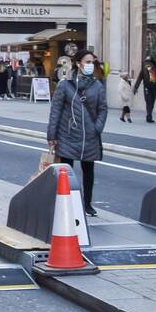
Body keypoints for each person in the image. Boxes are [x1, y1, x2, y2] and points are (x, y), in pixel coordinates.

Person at [46, 49, 107, 217]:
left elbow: (103, 109)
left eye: (92, 62)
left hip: (90, 135)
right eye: (87, 62)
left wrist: (98, 127)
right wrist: (51, 135)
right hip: (68, 135)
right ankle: (66, 201)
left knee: (89, 169)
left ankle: (87, 204)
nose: (90, 65)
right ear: (79, 64)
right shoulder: (65, 85)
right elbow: (55, 111)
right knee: (67, 171)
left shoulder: (98, 86)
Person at [133, 57, 156, 123]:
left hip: (154, 88)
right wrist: (135, 88)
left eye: (148, 62)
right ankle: (149, 116)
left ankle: (149, 115)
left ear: (152, 63)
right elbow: (139, 78)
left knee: (152, 103)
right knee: (148, 102)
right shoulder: (144, 69)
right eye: (146, 62)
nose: (147, 63)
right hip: (147, 88)